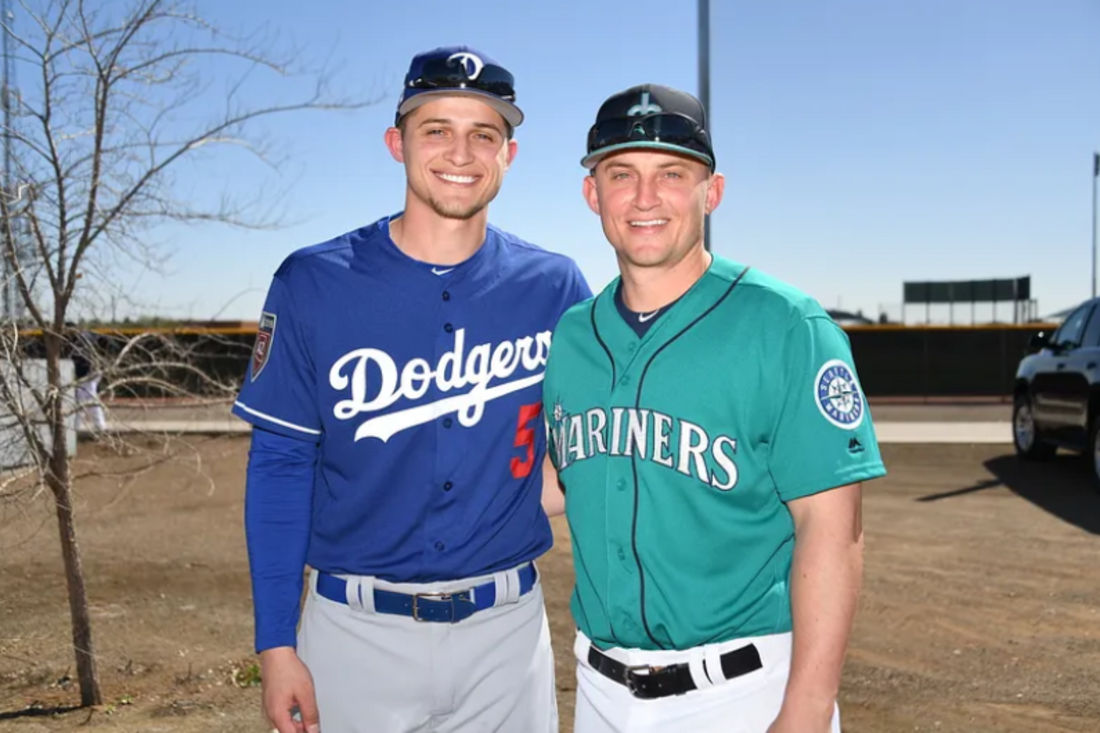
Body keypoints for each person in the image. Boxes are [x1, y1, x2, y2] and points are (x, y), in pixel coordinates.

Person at [232, 45, 591, 733]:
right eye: (437, 130)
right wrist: (277, 643)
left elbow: (584, 452)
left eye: (484, 133)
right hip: (354, 634)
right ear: (397, 142)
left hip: (507, 633)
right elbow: (279, 468)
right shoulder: (313, 281)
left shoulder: (555, 287)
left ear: (508, 155)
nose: (461, 151)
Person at [540, 83, 888, 733]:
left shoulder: (787, 325)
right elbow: (564, 480)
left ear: (712, 192)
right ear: (593, 194)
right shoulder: (573, 336)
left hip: (742, 693)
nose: (645, 198)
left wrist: (808, 708)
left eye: (672, 173)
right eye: (622, 173)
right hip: (598, 691)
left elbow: (831, 529)